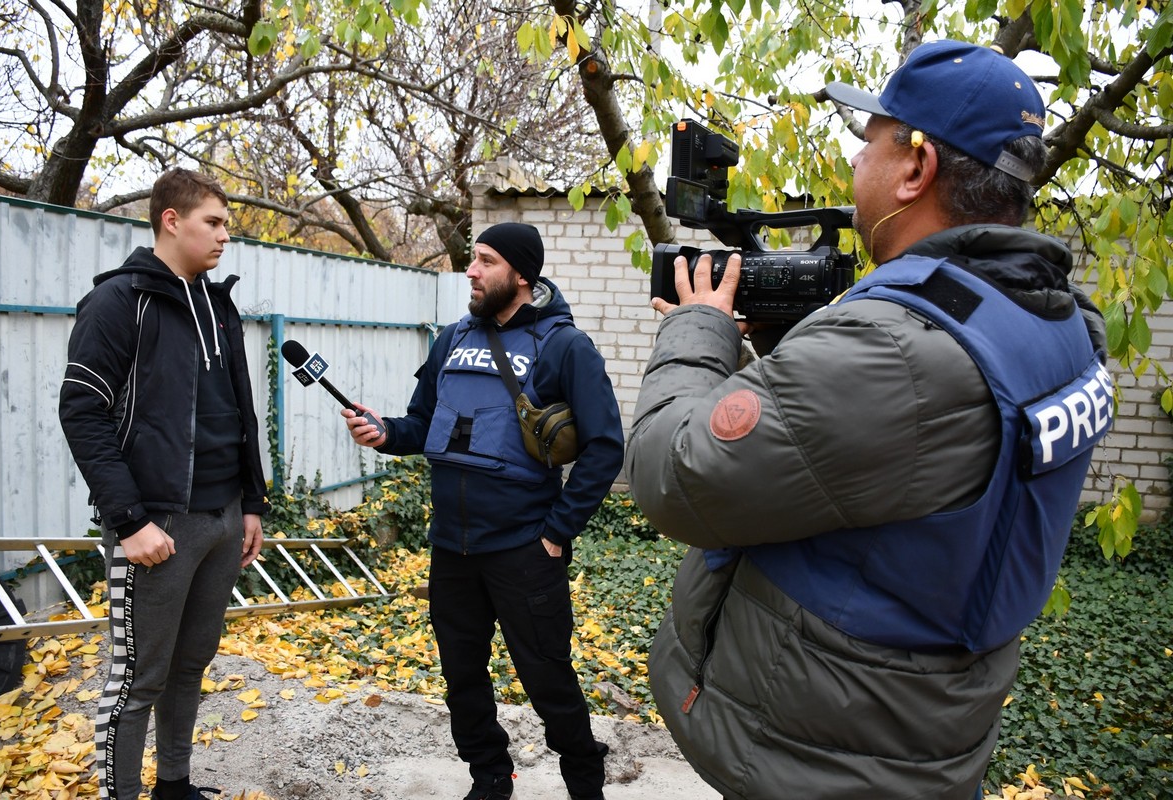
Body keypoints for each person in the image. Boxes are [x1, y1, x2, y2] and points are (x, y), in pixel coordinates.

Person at [626, 40, 1113, 800]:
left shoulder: (898, 354)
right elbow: (901, 457)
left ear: (915, 168)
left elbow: (673, 473)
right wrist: (795, 356)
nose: (856, 168)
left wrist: (697, 327)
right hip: (924, 731)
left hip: (823, 758)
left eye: (868, 143)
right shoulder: (1058, 321)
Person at [344, 222, 625, 800]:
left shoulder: (565, 346)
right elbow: (423, 424)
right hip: (452, 548)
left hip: (524, 549)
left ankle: (585, 785)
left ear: (522, 275)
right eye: (472, 260)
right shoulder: (450, 340)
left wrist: (556, 532)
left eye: (486, 261)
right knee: (462, 679)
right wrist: (384, 432)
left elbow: (604, 447)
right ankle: (491, 778)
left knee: (548, 679)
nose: (470, 271)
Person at [59, 168, 268, 800]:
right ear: (170, 221)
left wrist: (251, 503)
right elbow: (80, 409)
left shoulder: (219, 302)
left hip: (222, 519)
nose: (225, 236)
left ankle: (173, 785)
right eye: (214, 222)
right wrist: (130, 521)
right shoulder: (120, 302)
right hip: (157, 527)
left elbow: (240, 409)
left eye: (227, 223)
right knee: (137, 677)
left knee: (190, 664)